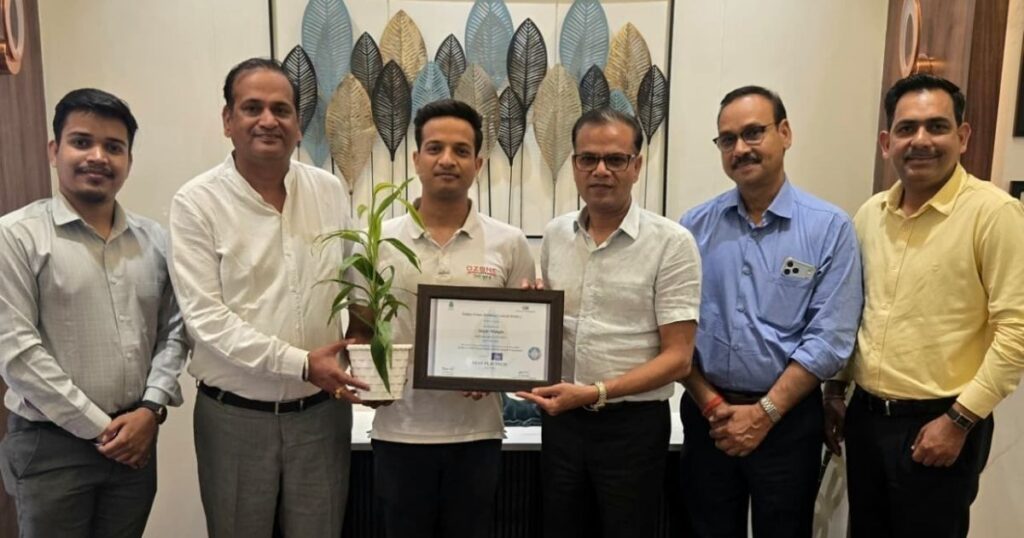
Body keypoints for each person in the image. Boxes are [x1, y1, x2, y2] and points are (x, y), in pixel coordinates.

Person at [168, 58, 368, 537]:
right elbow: (206, 320)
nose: (268, 120)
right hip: (236, 418)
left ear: (298, 124)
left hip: (321, 416)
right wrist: (302, 363)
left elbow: (356, 270)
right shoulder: (195, 204)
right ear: (227, 120)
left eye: (281, 109)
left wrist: (362, 331)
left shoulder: (328, 188)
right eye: (252, 107)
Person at [825, 74, 1024, 538]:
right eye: (906, 128)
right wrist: (835, 391)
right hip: (867, 418)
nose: (921, 141)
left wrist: (958, 421)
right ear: (885, 141)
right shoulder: (870, 214)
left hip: (941, 420)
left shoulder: (994, 215)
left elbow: (1016, 331)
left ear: (963, 135)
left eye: (937, 126)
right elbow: (852, 311)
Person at [0, 88, 187, 538]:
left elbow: (176, 330)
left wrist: (151, 409)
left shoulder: (155, 241)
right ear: (54, 150)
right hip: (52, 448)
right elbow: (18, 353)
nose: (97, 156)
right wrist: (105, 430)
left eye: (114, 147)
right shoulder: (16, 237)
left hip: (136, 440)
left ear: (128, 160)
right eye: (81, 142)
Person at [677, 85, 863, 538]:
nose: (740, 148)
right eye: (727, 139)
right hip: (709, 416)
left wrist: (763, 414)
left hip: (787, 423)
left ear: (785, 132)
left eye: (753, 133)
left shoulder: (829, 228)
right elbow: (673, 329)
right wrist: (713, 403)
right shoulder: (692, 228)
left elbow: (831, 337)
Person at [346, 99, 535, 538]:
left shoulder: (509, 243)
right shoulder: (377, 240)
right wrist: (369, 385)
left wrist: (495, 374)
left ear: (478, 163)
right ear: (416, 158)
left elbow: (518, 340)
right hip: (399, 433)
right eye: (434, 148)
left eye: (461, 150)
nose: (447, 160)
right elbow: (360, 330)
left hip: (477, 435)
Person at [517, 108, 700, 538]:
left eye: (615, 159)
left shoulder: (671, 244)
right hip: (563, 424)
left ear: (636, 166)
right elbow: (553, 328)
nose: (600, 170)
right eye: (588, 159)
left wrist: (596, 392)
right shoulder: (556, 235)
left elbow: (679, 358)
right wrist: (529, 314)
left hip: (631, 429)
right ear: (575, 165)